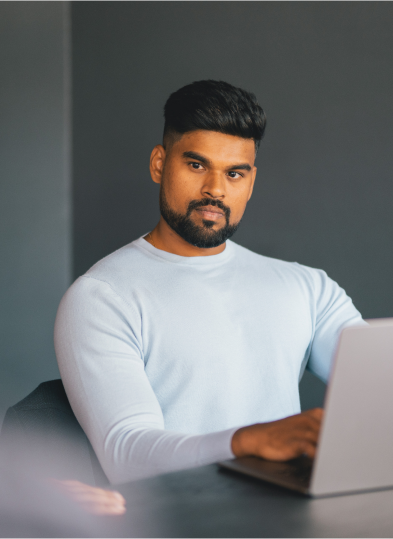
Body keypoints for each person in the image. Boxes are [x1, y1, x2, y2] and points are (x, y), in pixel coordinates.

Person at [55, 80, 366, 484]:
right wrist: (246, 441)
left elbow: (388, 387)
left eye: (234, 173)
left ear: (251, 183)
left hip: (290, 519)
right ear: (158, 164)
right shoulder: (101, 298)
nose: (215, 190)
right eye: (197, 165)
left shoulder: (308, 289)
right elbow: (126, 453)